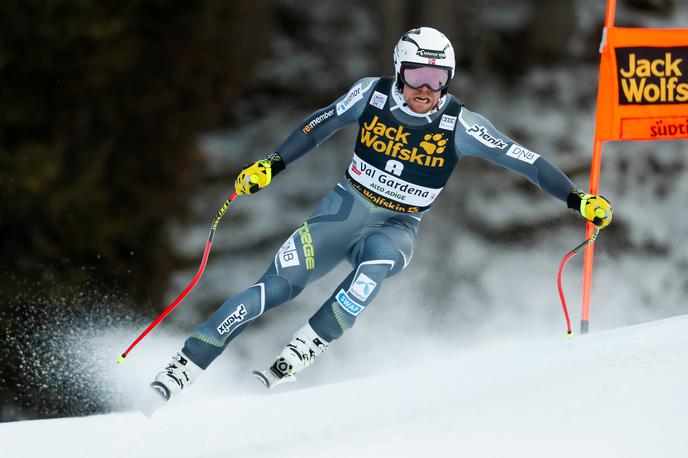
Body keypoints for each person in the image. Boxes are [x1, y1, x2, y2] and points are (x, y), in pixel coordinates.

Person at [149, 27, 612, 400]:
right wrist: (271, 165)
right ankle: (185, 364)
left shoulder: (460, 123)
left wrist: (577, 199)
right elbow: (318, 125)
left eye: (438, 78)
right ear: (398, 71)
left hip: (397, 227)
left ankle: (301, 351)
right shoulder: (370, 95)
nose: (426, 89)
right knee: (274, 287)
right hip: (342, 211)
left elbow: (525, 161)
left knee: (372, 271)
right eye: (416, 76)